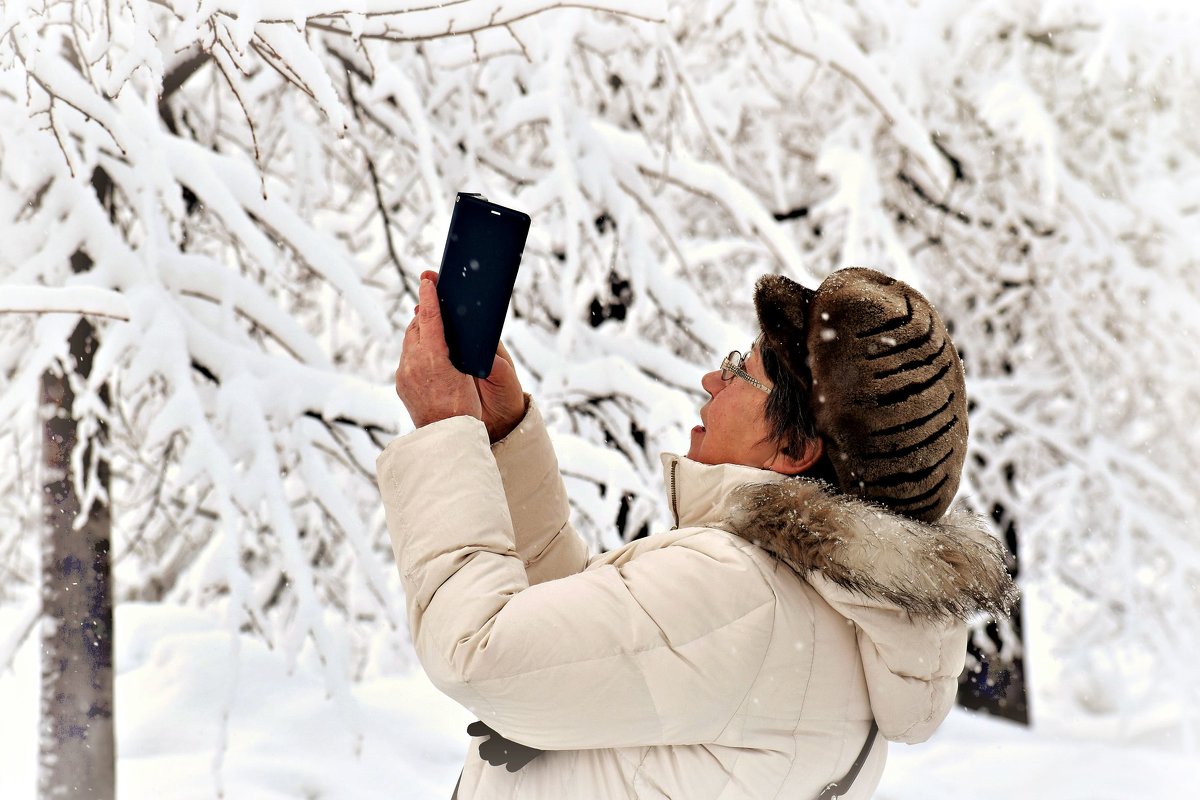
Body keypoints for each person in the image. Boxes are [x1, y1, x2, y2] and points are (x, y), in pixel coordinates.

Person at [377, 266, 1016, 799]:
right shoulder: (835, 613)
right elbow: (583, 640)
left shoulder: (742, 591)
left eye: (742, 370)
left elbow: (478, 654)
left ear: (795, 448)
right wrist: (503, 439)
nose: (714, 379)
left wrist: (444, 430)